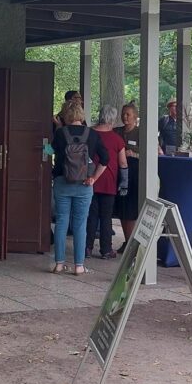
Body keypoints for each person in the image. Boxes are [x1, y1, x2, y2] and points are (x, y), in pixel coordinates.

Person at [50, 100, 109, 275]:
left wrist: (42, 147)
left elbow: (50, 151)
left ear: (65, 116)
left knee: (61, 222)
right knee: (80, 224)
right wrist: (93, 178)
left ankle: (59, 264)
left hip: (62, 182)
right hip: (84, 185)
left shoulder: (61, 134)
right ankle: (79, 266)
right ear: (81, 115)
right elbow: (105, 159)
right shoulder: (92, 134)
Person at [85, 105, 128, 259]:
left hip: (89, 180)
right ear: (113, 118)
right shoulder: (117, 139)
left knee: (91, 215)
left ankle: (87, 247)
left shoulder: (89, 133)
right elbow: (123, 163)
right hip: (109, 181)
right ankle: (106, 249)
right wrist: (124, 183)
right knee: (106, 216)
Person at [113, 102, 141, 249]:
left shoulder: (141, 132)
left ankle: (132, 242)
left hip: (134, 175)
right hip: (118, 175)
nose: (125, 117)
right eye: (123, 114)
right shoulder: (116, 131)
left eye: (128, 114)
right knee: (122, 208)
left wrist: (134, 154)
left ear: (135, 117)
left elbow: (154, 152)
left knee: (131, 208)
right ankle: (127, 240)